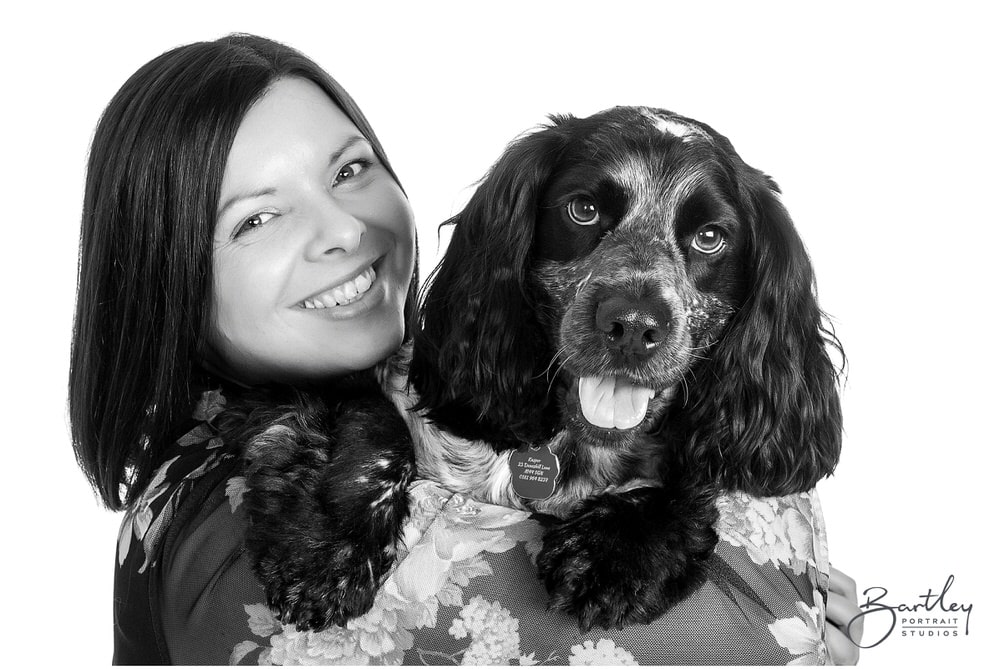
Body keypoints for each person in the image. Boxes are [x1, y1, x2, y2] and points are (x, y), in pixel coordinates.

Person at [70, 34, 862, 665]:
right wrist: (780, 607)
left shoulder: (416, 384)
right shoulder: (218, 518)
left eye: (349, 170)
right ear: (162, 275)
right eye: (256, 218)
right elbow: (716, 647)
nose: (344, 231)